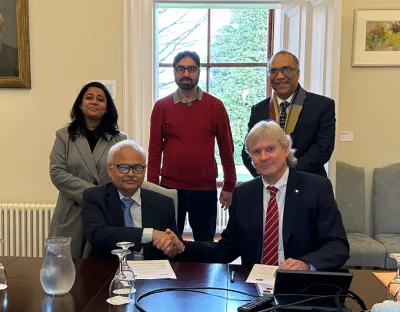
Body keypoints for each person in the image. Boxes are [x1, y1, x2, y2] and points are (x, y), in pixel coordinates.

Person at [156, 120, 349, 271]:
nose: (264, 157)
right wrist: (182, 246)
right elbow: (227, 249)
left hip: (301, 285)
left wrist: (307, 264)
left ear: (286, 148)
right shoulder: (243, 194)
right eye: (256, 152)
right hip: (253, 285)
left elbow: (337, 245)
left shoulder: (316, 188)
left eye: (270, 149)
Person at [148, 51, 236, 241]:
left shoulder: (215, 106)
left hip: (204, 189)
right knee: (168, 242)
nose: (186, 74)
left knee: (205, 244)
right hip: (169, 189)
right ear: (174, 72)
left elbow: (226, 148)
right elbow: (154, 150)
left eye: (191, 69)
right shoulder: (162, 107)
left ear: (199, 71)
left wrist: (229, 185)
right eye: (181, 69)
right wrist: (152, 188)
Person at [49, 81, 127, 259]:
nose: (94, 102)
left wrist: (101, 198)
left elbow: (123, 172)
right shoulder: (64, 136)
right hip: (71, 210)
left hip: (106, 212)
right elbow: (57, 172)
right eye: (89, 97)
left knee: (102, 269)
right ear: (80, 104)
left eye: (100, 99)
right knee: (66, 266)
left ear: (107, 108)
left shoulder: (120, 139)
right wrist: (92, 194)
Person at [81, 139, 183, 260]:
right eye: (123, 167)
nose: (131, 173)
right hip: (107, 272)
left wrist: (171, 248)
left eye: (138, 167)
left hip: (150, 272)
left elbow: (175, 243)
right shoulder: (94, 196)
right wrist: (149, 234)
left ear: (144, 170)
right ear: (110, 169)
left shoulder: (163, 203)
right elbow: (97, 236)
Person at [242, 50, 335, 178]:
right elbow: (248, 150)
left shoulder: (322, 106)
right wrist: (266, 176)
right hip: (269, 185)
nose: (279, 76)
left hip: (309, 184)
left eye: (286, 70)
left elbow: (322, 149)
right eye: (273, 71)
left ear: (298, 73)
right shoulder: (258, 109)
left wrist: (287, 177)